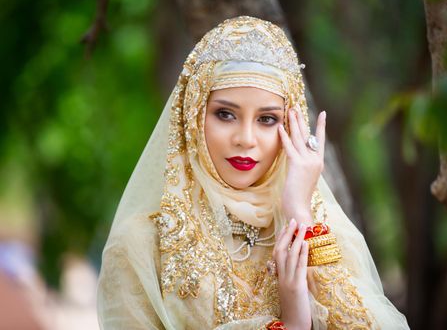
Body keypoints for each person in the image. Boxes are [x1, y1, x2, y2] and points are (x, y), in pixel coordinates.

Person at [97, 16, 409, 330]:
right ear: (192, 116)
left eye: (267, 119)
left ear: (289, 127)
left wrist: (300, 214)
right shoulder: (141, 244)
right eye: (225, 114)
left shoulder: (317, 226)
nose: (245, 138)